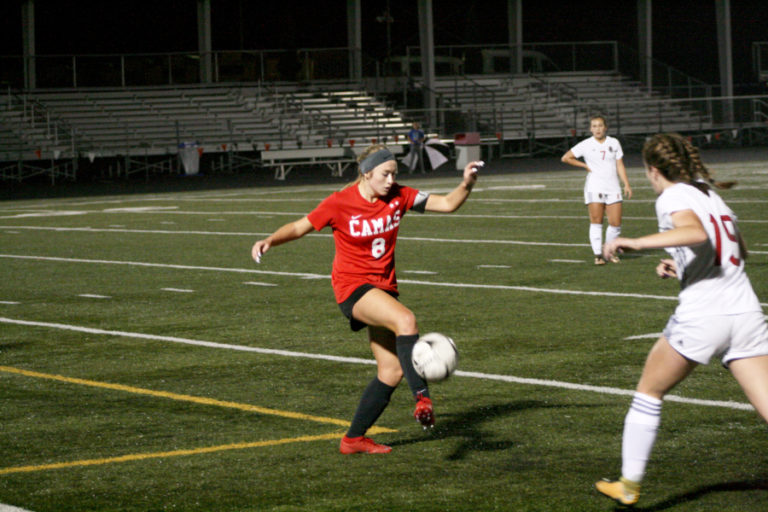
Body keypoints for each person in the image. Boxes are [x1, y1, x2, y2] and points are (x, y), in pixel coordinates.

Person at [251, 144, 482, 455]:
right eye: (385, 175)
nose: (391, 181)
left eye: (394, 175)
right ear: (367, 172)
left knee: (391, 371)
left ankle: (353, 439)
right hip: (352, 288)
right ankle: (422, 400)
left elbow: (448, 204)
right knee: (406, 320)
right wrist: (270, 240)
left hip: (383, 289)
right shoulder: (340, 203)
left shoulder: (399, 195)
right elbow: (299, 226)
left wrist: (466, 183)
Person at [595, 133, 768, 506]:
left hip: (704, 314)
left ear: (653, 170)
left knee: (649, 390)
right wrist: (684, 263)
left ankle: (628, 484)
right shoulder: (707, 192)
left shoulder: (672, 195)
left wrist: (635, 242)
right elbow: (737, 248)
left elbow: (694, 232)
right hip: (746, 311)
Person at [561, 115, 632, 265]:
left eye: (600, 126)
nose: (597, 129)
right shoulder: (586, 144)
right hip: (595, 187)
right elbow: (566, 158)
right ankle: (598, 255)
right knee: (596, 221)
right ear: (590, 129)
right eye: (594, 126)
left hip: (613, 187)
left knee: (615, 223)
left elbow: (619, 164)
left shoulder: (614, 142)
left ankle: (609, 250)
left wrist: (626, 183)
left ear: (605, 127)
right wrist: (584, 166)